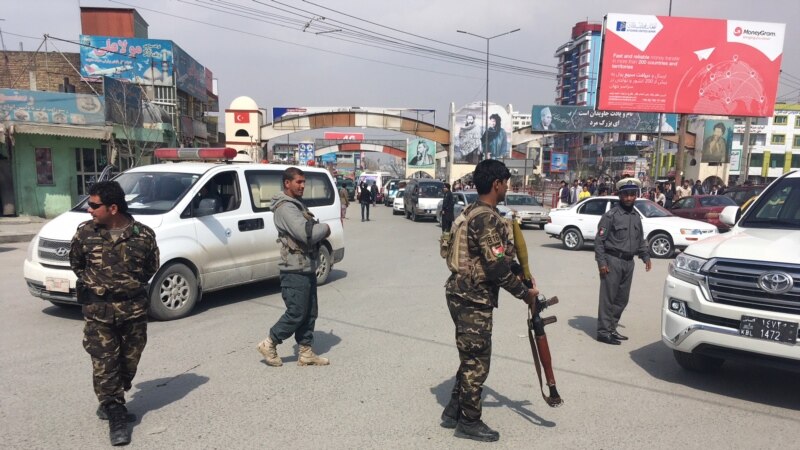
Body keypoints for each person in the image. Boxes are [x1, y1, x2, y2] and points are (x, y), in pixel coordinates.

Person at [441, 159, 538, 443]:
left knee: (470, 356)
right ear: (496, 184)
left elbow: (497, 258)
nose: (508, 187)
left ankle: (453, 411)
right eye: (506, 183)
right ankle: (469, 422)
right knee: (477, 361)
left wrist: (522, 275)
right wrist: (524, 294)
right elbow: (495, 267)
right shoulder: (486, 218)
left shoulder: (473, 210)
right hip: (472, 297)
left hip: (461, 293)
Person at [69, 181, 160, 446]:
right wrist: (100, 287)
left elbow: (150, 268)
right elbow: (77, 264)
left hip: (133, 310)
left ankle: (111, 396)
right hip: (99, 311)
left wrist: (126, 287)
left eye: (94, 205)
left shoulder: (143, 235)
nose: (89, 209)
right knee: (104, 363)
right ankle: (115, 410)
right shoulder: (85, 233)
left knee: (128, 363)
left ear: (112, 207)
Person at [257, 167, 332, 367]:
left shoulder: (296, 205)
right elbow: (305, 233)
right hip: (294, 270)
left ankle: (306, 352)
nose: (302, 186)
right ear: (287, 183)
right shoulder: (285, 207)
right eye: (298, 182)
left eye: (303, 182)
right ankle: (270, 342)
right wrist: (325, 228)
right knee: (296, 312)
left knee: (310, 312)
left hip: (306, 266)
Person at [595, 178, 652, 345]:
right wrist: (602, 263)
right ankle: (603, 332)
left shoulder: (636, 217)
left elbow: (640, 239)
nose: (629, 198)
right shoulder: (610, 216)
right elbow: (599, 241)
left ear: (636, 195)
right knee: (608, 298)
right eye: (625, 194)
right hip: (612, 261)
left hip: (629, 262)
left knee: (622, 299)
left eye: (632, 194)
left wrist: (645, 256)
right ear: (620, 195)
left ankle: (612, 328)